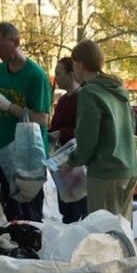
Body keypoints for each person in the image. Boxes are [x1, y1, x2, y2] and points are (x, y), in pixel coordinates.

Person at [0, 22, 53, 221]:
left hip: (27, 158)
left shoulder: (35, 76)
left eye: (2, 47)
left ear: (16, 42)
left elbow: (42, 119)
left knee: (29, 216)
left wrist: (9, 106)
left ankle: (31, 251)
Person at [62, 40, 137, 220]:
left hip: (106, 171)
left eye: (73, 64)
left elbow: (88, 138)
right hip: (129, 167)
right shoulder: (117, 88)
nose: (73, 70)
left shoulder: (89, 93)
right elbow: (132, 123)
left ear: (80, 63)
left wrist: (72, 162)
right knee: (123, 229)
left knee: (104, 233)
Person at [49, 56, 88, 223]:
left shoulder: (83, 97)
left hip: (77, 160)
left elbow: (85, 130)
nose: (56, 78)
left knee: (79, 205)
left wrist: (61, 133)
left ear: (71, 74)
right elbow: (55, 125)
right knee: (67, 207)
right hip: (62, 159)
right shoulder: (64, 100)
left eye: (59, 73)